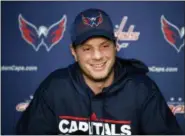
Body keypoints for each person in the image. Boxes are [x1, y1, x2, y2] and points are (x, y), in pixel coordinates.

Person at [16, 8, 183, 135]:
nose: (97, 56)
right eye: (87, 49)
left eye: (104, 46)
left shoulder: (142, 90)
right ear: (74, 52)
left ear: (116, 46)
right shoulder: (54, 88)